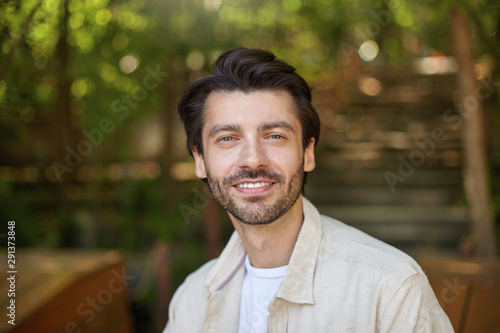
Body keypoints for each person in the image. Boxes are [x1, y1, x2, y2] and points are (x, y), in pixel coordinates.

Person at [164, 47, 453, 332]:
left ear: (308, 152)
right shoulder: (191, 301)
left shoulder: (389, 288)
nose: (252, 159)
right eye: (227, 138)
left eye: (275, 136)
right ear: (200, 160)